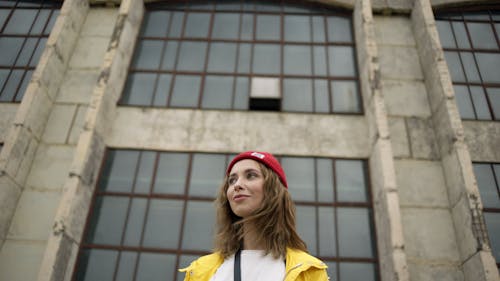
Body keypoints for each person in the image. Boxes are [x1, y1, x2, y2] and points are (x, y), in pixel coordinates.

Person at [180, 151, 329, 281]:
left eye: (251, 175)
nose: (237, 185)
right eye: (232, 180)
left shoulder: (309, 271)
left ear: (274, 190)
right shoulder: (200, 271)